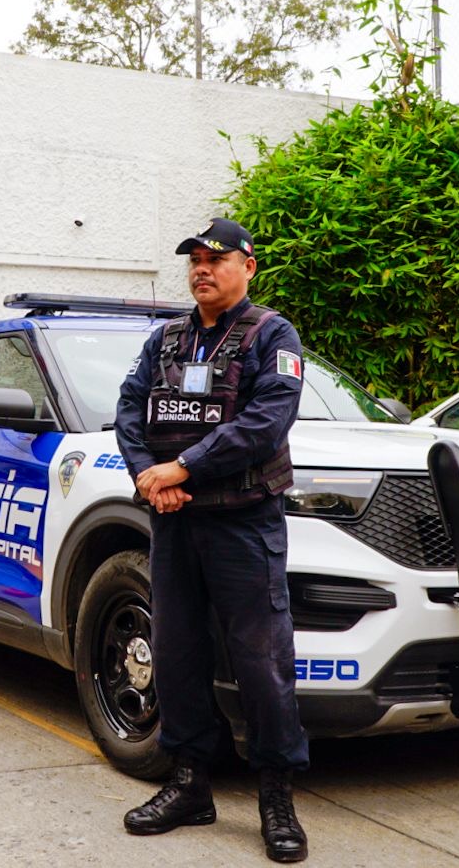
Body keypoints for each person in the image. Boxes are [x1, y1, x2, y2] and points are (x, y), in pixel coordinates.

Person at [114, 217, 309, 864]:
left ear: (248, 265)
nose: (202, 267)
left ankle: (276, 793)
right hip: (173, 521)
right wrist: (150, 476)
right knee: (177, 653)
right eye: (194, 259)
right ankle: (190, 783)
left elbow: (264, 422)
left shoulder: (271, 334)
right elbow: (129, 406)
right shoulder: (165, 338)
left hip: (243, 523)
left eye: (216, 257)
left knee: (261, 659)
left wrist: (183, 466)